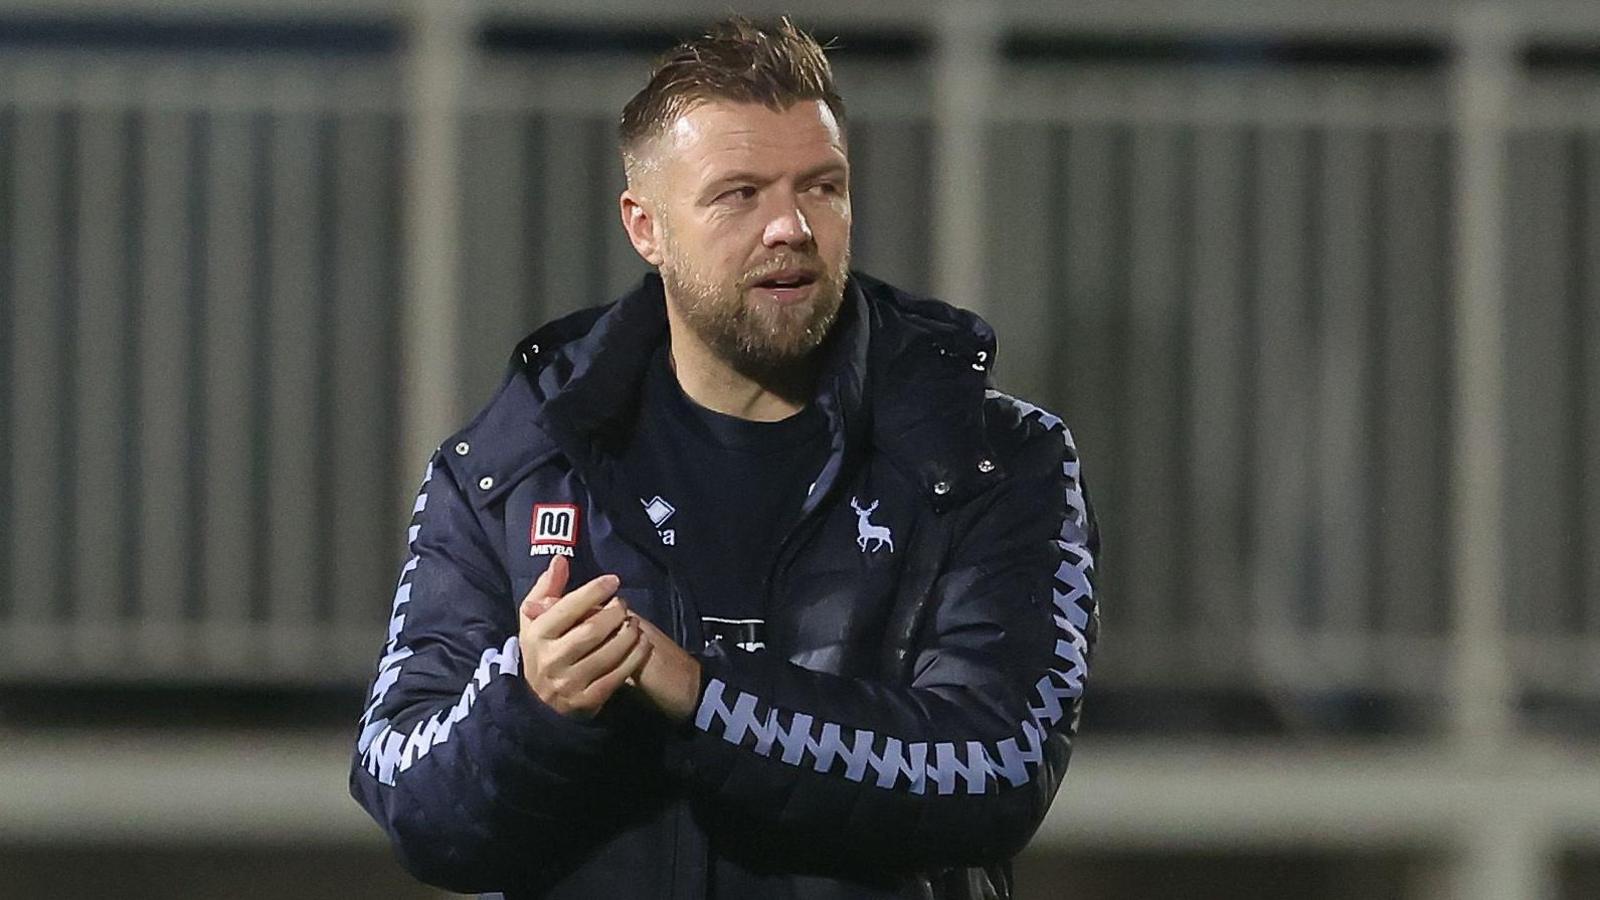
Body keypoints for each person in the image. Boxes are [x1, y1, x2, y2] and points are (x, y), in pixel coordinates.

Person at [350, 15, 1099, 900]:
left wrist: (705, 698)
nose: (791, 226)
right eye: (739, 194)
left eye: (822, 187)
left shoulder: (987, 459)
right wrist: (533, 701)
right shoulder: (511, 466)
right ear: (646, 226)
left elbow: (997, 766)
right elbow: (408, 795)